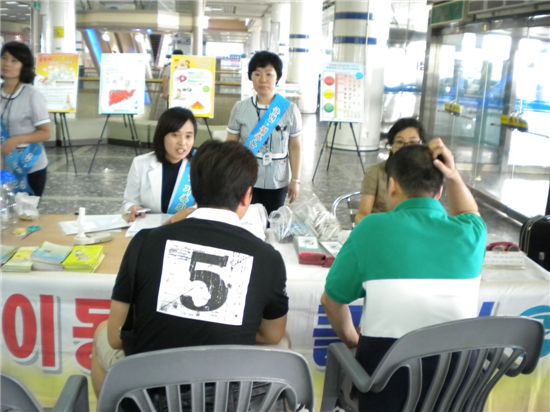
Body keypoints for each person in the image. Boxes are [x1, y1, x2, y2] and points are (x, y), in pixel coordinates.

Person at [91, 140, 289, 396]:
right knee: (284, 343)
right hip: (226, 395)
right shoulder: (268, 258)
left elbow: (116, 338)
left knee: (101, 335)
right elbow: (272, 336)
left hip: (149, 393)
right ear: (247, 196)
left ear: (194, 190)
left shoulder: (145, 242)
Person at [321, 139, 487, 411]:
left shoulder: (372, 229)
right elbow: (470, 211)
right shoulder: (471, 233)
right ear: (440, 191)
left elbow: (332, 300)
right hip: (457, 392)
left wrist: (353, 340)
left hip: (387, 392)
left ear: (392, 185)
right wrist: (454, 174)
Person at [227, 50, 303, 216]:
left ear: (277, 77)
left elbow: (295, 147)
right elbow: (231, 146)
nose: (263, 80)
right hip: (247, 177)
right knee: (247, 220)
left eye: (269, 74)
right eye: (257, 74)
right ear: (250, 77)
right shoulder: (240, 108)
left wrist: (295, 180)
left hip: (278, 179)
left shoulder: (290, 109)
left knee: (272, 222)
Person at [122, 107, 196, 222]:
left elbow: (207, 205)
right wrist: (133, 208)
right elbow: (129, 201)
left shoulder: (200, 165)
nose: (182, 142)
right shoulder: (140, 164)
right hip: (150, 230)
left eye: (188, 136)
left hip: (185, 230)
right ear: (162, 136)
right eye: (175, 135)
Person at [0, 41, 51, 196]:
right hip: (4, 166)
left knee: (25, 215)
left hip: (30, 166)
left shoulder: (32, 95)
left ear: (24, 65)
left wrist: (15, 140)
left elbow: (46, 133)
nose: (7, 64)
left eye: (14, 60)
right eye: (4, 58)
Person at [355, 117, 426, 224]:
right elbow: (362, 215)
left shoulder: (428, 175)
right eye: (400, 142)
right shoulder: (376, 173)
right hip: (382, 231)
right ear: (391, 146)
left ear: (423, 145)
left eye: (412, 142)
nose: (405, 148)